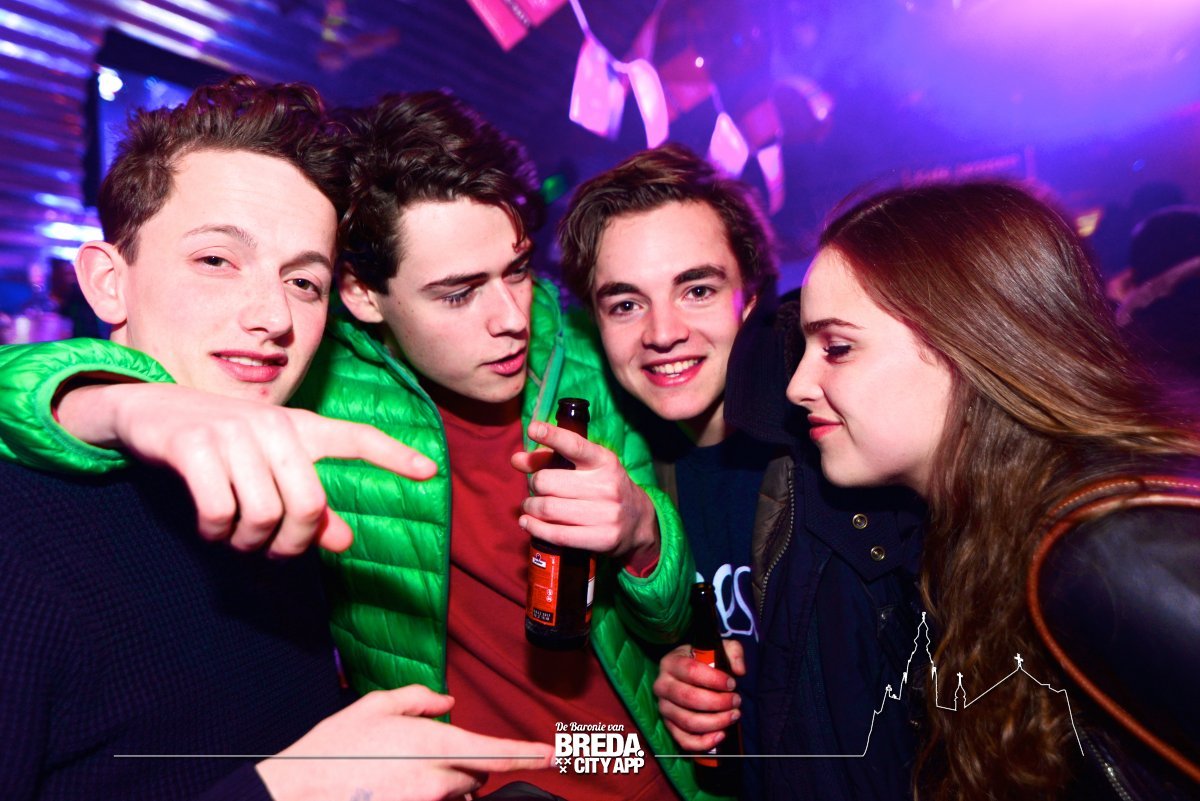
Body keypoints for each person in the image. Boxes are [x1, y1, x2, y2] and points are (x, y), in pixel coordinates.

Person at [0, 90, 700, 800]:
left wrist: (647, 537)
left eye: (303, 281)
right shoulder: (315, 394)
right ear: (363, 296)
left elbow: (682, 613)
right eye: (216, 259)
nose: (272, 314)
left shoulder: (589, 356)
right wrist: (113, 399)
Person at [786, 180, 1200, 799]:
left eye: (838, 348)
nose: (797, 385)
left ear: (972, 342)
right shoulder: (987, 531)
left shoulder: (1105, 552)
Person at [558, 143, 926, 800]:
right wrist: (675, 676)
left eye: (697, 290)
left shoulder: (845, 455)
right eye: (626, 304)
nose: (662, 332)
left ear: (751, 299)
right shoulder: (629, 473)